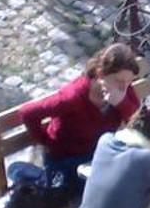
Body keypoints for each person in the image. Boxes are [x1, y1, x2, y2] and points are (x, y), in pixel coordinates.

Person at [17, 42, 143, 175]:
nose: (124, 87)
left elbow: (139, 121)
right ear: (100, 74)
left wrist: (121, 103)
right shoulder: (73, 97)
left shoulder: (122, 91)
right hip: (67, 160)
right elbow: (27, 112)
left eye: (129, 82)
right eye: (119, 80)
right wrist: (45, 142)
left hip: (97, 155)